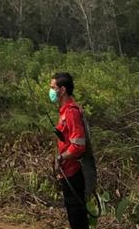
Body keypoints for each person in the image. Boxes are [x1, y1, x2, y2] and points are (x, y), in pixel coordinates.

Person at [50, 72, 89, 229]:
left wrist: (61, 157)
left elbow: (79, 146)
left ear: (62, 90)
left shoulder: (71, 112)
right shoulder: (64, 112)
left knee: (77, 216)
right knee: (74, 215)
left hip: (73, 172)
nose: (51, 91)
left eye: (53, 88)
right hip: (67, 172)